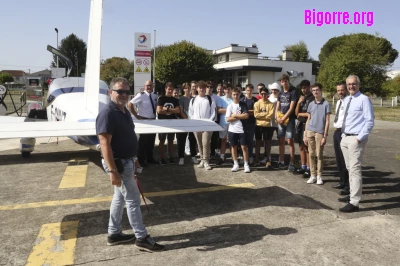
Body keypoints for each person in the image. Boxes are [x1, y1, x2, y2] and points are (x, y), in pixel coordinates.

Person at [96, 77, 164, 251]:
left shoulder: (124, 111)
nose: (124, 95)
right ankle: (141, 237)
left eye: (127, 92)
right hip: (118, 163)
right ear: (110, 92)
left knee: (119, 199)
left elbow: (128, 137)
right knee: (133, 200)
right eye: (120, 91)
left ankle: (114, 233)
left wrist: (134, 159)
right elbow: (104, 144)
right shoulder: (108, 113)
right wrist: (112, 170)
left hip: (126, 161)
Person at [339, 75, 374, 212]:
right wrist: (343, 135)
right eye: (349, 84)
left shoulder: (364, 99)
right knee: (350, 169)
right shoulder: (347, 99)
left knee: (355, 170)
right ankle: (352, 195)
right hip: (345, 137)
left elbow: (369, 121)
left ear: (358, 85)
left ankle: (354, 202)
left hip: (355, 139)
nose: (351, 86)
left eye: (353, 84)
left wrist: (359, 138)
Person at [304, 83, 331, 185]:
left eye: (317, 90)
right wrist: (305, 134)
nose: (315, 92)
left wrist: (325, 135)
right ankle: (313, 175)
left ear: (321, 91)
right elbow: (308, 119)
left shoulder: (326, 104)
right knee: (311, 154)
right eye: (313, 90)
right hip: (310, 130)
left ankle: (319, 175)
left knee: (319, 154)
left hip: (320, 132)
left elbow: (327, 121)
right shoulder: (311, 104)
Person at [128, 80, 158, 167]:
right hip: (144, 121)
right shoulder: (141, 95)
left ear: (153, 86)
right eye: (147, 86)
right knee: (143, 142)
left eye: (150, 85)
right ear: (144, 87)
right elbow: (130, 104)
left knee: (151, 141)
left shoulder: (155, 95)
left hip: (153, 120)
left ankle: (150, 158)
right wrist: (136, 115)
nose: (149, 87)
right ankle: (141, 160)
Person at [188, 80, 216, 170]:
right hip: (197, 125)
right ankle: (202, 160)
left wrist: (209, 121)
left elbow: (213, 113)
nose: (201, 89)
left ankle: (206, 161)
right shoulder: (193, 100)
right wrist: (194, 122)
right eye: (200, 88)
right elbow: (190, 113)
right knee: (199, 144)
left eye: (203, 88)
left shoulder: (210, 99)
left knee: (206, 143)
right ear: (197, 89)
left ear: (205, 89)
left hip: (207, 126)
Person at [275, 74, 297, 171]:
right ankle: (282, 160)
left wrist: (284, 118)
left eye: (286, 81)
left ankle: (292, 162)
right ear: (281, 82)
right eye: (282, 81)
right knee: (281, 140)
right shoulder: (280, 94)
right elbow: (277, 107)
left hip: (289, 120)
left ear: (288, 81)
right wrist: (277, 117)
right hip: (280, 120)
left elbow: (291, 108)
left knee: (290, 141)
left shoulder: (293, 92)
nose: (284, 83)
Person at [332, 81, 350, 195]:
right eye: (338, 90)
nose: (340, 92)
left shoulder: (349, 102)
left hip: (345, 132)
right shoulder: (339, 102)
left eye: (342, 90)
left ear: (346, 90)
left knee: (345, 160)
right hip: (337, 132)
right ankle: (342, 181)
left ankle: (348, 185)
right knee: (338, 159)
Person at [226, 87, 250, 173]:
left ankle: (246, 164)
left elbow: (246, 116)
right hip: (232, 130)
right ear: (232, 95)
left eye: (237, 94)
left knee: (244, 147)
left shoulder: (243, 104)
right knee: (233, 147)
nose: (236, 96)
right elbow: (227, 119)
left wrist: (234, 115)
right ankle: (235, 164)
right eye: (234, 94)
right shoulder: (230, 106)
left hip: (242, 130)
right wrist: (239, 116)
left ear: (240, 94)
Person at [157, 82, 180, 165]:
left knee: (171, 141)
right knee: (162, 140)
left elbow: (178, 110)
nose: (170, 91)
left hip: (172, 122)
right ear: (165, 89)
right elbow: (159, 110)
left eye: (171, 89)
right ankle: (162, 158)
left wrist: (167, 109)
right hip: (162, 123)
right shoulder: (161, 99)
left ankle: (171, 157)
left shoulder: (175, 100)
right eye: (169, 89)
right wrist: (171, 110)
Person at [295, 80, 314, 177]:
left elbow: (309, 114)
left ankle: (308, 168)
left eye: (305, 87)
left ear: (309, 87)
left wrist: (300, 114)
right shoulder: (301, 97)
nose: (304, 90)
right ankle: (302, 166)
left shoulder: (312, 98)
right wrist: (298, 103)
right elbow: (296, 113)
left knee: (307, 147)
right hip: (300, 124)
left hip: (308, 125)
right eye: (302, 88)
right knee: (301, 146)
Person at [253, 87, 275, 169]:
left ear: (267, 94)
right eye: (262, 94)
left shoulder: (271, 104)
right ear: (260, 94)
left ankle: (268, 159)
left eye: (265, 94)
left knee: (268, 143)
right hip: (258, 125)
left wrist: (262, 116)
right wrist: (265, 115)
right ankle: (257, 158)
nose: (263, 95)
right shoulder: (257, 103)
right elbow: (256, 115)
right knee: (258, 142)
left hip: (267, 126)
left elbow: (270, 116)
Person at [177, 82, 198, 165]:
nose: (187, 89)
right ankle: (181, 157)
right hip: (184, 121)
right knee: (181, 140)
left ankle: (193, 156)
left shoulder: (194, 98)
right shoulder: (181, 99)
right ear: (183, 89)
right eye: (185, 88)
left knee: (193, 140)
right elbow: (181, 111)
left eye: (188, 87)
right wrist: (187, 119)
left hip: (192, 122)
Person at [216, 84, 234, 165]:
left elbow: (236, 110)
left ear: (231, 90)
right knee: (223, 140)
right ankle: (222, 157)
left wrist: (225, 110)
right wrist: (230, 110)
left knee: (232, 141)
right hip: (223, 122)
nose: (227, 91)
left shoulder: (233, 99)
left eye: (229, 89)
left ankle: (234, 157)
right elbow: (219, 110)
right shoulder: (220, 99)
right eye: (226, 89)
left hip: (232, 123)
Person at [240, 84, 258, 164]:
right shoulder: (242, 99)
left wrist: (247, 112)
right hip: (242, 123)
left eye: (250, 90)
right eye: (247, 90)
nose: (249, 92)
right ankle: (242, 156)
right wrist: (247, 112)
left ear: (253, 90)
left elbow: (256, 112)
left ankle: (250, 156)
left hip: (251, 123)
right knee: (242, 141)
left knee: (250, 141)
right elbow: (240, 111)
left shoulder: (255, 100)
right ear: (245, 90)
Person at [206, 81, 221, 161]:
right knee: (205, 139)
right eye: (207, 87)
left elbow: (218, 110)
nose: (209, 89)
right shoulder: (202, 97)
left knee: (214, 139)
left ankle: (212, 153)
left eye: (210, 87)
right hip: (204, 122)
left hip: (214, 121)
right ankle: (205, 154)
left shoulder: (216, 98)